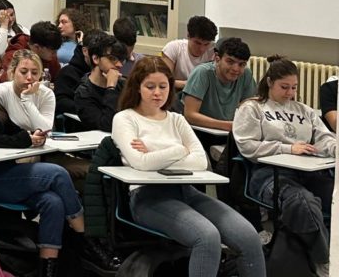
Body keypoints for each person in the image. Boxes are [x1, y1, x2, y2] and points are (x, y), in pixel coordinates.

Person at [0, 45, 108, 276]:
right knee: (57, 173)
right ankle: (85, 237)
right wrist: (23, 139)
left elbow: (9, 127)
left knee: (53, 202)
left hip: (4, 171)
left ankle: (47, 270)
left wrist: (30, 136)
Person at [111, 56, 265, 277]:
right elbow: (140, 163)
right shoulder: (125, 118)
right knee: (207, 237)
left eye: (163, 86)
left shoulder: (176, 119)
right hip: (148, 196)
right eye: (150, 87)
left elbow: (200, 161)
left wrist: (154, 151)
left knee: (249, 236)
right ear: (137, 87)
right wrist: (179, 150)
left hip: (187, 191)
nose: (157, 93)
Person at [234, 56, 336, 274]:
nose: (290, 93)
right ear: (270, 82)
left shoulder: (305, 110)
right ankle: (324, 261)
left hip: (308, 171)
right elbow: (247, 146)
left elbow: (324, 138)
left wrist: (335, 148)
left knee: (330, 198)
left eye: (294, 87)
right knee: (302, 203)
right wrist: (288, 148)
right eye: (284, 87)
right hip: (269, 174)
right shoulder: (253, 108)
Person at [182, 37, 256, 134]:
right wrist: (227, 125)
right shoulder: (202, 73)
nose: (236, 69)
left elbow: (249, 106)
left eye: (241, 64)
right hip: (199, 132)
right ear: (217, 59)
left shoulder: (246, 74)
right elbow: (190, 115)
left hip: (229, 133)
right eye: (230, 62)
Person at [73, 33, 126, 132]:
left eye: (121, 60)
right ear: (96, 59)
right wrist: (111, 88)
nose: (119, 65)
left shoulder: (123, 85)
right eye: (112, 59)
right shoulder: (83, 93)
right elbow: (107, 125)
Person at [0, 48, 56, 132]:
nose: (29, 77)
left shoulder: (46, 94)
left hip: (41, 139)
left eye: (34, 73)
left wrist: (27, 99)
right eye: (23, 72)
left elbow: (45, 129)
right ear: (13, 72)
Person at [53, 28, 107, 116]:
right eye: (98, 54)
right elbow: (60, 102)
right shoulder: (67, 73)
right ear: (85, 51)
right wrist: (89, 109)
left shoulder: (108, 73)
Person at [162, 15, 218, 90]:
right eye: (197, 43)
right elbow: (163, 80)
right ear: (188, 35)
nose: (202, 49)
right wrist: (191, 84)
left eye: (206, 44)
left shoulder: (214, 50)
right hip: (177, 92)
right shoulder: (173, 48)